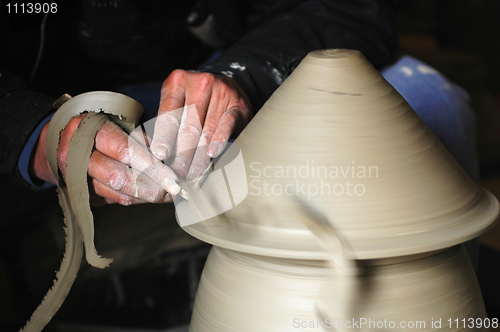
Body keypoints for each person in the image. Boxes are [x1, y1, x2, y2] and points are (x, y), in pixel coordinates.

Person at [0, 0, 400, 213]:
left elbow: (349, 8)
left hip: (217, 64)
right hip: (29, 97)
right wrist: (31, 133)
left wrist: (244, 74)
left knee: (428, 103)